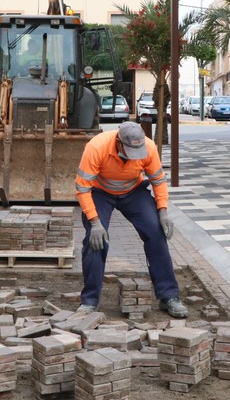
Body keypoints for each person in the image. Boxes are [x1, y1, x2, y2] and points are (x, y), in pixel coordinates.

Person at [74, 121, 187, 319]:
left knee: (155, 232)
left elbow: (158, 181)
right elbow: (82, 187)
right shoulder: (96, 147)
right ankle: (89, 301)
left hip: (133, 192)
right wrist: (94, 222)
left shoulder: (149, 147)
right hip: (100, 192)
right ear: (118, 142)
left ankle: (169, 295)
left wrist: (162, 212)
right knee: (97, 240)